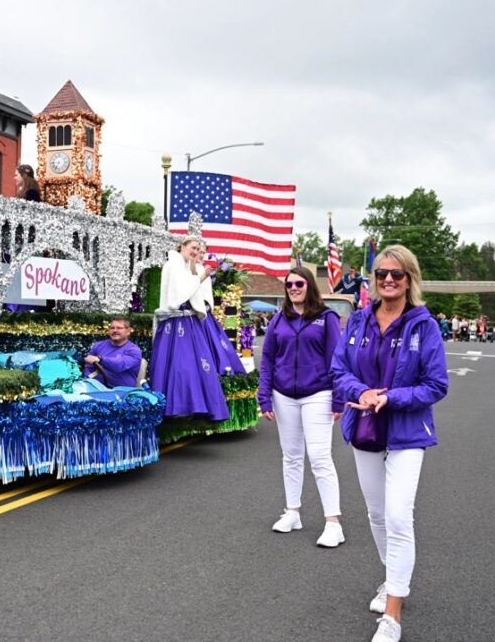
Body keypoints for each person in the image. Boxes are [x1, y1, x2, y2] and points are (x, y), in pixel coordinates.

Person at [331, 245, 448, 642]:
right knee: (377, 515)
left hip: (406, 432)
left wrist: (390, 397)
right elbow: (339, 369)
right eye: (381, 273)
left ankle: (393, 612)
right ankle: (391, 577)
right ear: (373, 279)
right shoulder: (360, 320)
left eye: (396, 274)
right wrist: (362, 392)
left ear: (410, 279)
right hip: (364, 426)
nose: (388, 280)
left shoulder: (424, 325)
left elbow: (436, 385)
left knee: (398, 516)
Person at [258, 266, 345, 547]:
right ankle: (292, 512)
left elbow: (338, 359)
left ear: (309, 285)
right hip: (283, 394)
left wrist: (339, 397)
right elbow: (268, 358)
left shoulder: (326, 318)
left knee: (320, 457)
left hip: (318, 393)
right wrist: (264, 395)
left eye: (298, 283)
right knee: (291, 456)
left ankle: (333, 523)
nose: (293, 288)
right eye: (289, 284)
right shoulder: (278, 320)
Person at [150, 236, 245, 421]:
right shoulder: (173, 264)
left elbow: (197, 294)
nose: (195, 252)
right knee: (180, 366)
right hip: (176, 322)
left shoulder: (186, 265)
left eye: (198, 249)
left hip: (189, 320)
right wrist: (201, 276)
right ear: (183, 246)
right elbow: (181, 293)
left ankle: (195, 406)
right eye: (193, 247)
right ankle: (177, 407)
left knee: (197, 364)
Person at [84, 318, 143, 388]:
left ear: (128, 331)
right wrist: (86, 381)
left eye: (119, 328)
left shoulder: (134, 350)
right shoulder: (98, 346)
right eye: (112, 328)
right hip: (95, 388)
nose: (115, 330)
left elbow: (120, 365)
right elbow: (88, 368)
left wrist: (100, 359)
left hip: (122, 393)